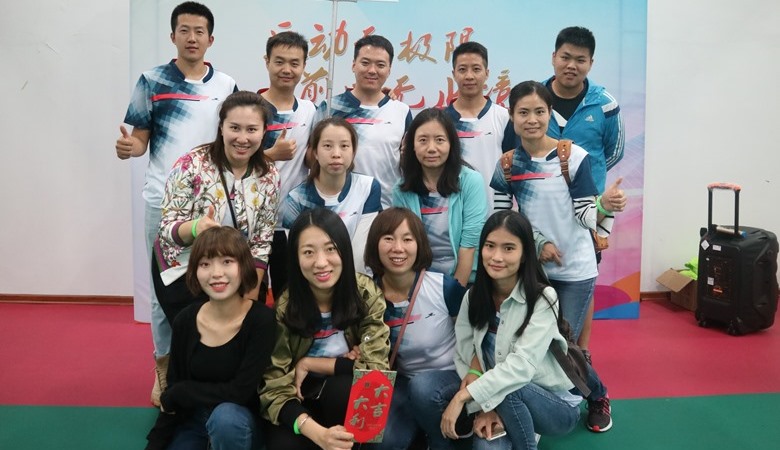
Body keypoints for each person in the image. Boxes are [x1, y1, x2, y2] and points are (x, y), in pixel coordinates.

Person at [115, 1, 238, 406]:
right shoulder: (152, 81)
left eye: (199, 31)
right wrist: (129, 148)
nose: (191, 38)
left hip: (213, 205)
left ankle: (203, 366)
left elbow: (236, 139)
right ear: (173, 36)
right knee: (162, 289)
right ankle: (164, 367)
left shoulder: (226, 86)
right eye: (184, 30)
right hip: (162, 202)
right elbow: (140, 140)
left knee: (214, 284)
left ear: (210, 39)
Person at [491, 81, 623, 432]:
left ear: (550, 114)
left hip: (575, 270)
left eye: (539, 111)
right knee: (532, 342)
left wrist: (605, 205)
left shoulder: (573, 157)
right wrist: (536, 245)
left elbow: (585, 216)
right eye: (523, 112)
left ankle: (597, 395)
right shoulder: (507, 164)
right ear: (512, 116)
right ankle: (541, 405)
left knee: (561, 344)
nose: (532, 119)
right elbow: (502, 223)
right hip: (532, 271)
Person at [152, 91, 279, 380]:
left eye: (252, 129)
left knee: (236, 341)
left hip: (235, 270)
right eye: (234, 128)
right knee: (196, 343)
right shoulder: (191, 164)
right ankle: (169, 373)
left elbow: (262, 241)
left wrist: (249, 299)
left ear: (264, 132)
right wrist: (196, 228)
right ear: (221, 127)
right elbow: (167, 228)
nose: (242, 138)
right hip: (184, 267)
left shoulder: (269, 174)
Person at [440, 210, 587, 450]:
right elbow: (465, 351)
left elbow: (520, 368)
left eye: (508, 248)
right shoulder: (473, 296)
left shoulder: (543, 298)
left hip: (552, 406)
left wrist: (464, 397)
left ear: (525, 254)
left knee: (513, 388)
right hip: (497, 396)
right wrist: (484, 406)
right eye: (490, 246)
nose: (496, 257)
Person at [259, 208, 390, 450]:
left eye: (330, 249)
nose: (321, 263)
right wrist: (318, 434)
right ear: (295, 258)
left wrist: (310, 363)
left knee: (345, 391)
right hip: (301, 400)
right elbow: (274, 386)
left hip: (343, 394)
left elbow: (376, 370)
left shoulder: (365, 293)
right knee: (283, 444)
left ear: (344, 250)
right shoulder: (285, 308)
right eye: (308, 252)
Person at [145, 227, 275, 450]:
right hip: (194, 420)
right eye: (205, 264)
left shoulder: (261, 320)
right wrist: (155, 443)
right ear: (195, 271)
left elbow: (240, 392)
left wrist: (183, 392)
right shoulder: (186, 320)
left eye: (227, 262)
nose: (216, 273)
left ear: (244, 266)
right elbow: (173, 394)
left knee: (226, 419)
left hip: (240, 422)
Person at [544, 26, 626, 356]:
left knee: (584, 276)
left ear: (591, 63)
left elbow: (613, 152)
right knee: (542, 282)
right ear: (554, 57)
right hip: (543, 208)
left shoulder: (604, 105)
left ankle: (582, 352)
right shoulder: (536, 99)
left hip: (589, 210)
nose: (571, 65)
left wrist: (585, 178)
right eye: (565, 57)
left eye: (580, 59)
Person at [364, 207, 467, 450]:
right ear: (375, 244)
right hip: (401, 380)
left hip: (448, 376)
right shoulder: (367, 294)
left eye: (407, 239)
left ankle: (441, 443)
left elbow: (475, 334)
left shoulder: (443, 287)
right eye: (388, 238)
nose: (398, 248)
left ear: (419, 244)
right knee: (381, 440)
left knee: (423, 387)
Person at [393, 108, 488, 287]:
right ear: (412, 145)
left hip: (465, 279)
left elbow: (469, 245)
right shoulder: (401, 190)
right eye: (423, 140)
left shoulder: (471, 181)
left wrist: (454, 293)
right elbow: (403, 245)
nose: (431, 148)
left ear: (451, 144)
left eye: (439, 140)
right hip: (420, 280)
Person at [316, 35, 412, 209]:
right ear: (354, 65)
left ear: (389, 69)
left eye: (380, 65)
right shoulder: (330, 107)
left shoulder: (401, 111)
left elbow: (409, 163)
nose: (372, 70)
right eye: (365, 63)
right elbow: (311, 157)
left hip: (388, 209)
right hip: (337, 208)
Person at [258, 31, 318, 299]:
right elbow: (229, 160)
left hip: (292, 223)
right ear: (267, 61)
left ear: (304, 66)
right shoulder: (251, 108)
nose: (287, 70)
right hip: (252, 221)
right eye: (279, 61)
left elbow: (313, 157)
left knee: (290, 297)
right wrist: (271, 154)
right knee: (251, 295)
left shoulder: (310, 110)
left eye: (295, 63)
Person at [281, 118, 382, 274]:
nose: (336, 154)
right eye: (327, 146)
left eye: (344, 146)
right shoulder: (296, 199)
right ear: (315, 152)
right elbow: (299, 257)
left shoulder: (368, 188)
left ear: (353, 151)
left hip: (357, 278)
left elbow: (360, 254)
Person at [444, 41, 516, 209]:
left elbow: (514, 168)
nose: (469, 76)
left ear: (487, 73)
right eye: (462, 69)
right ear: (454, 74)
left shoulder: (504, 117)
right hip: (452, 212)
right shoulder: (441, 121)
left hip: (494, 214)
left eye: (476, 69)